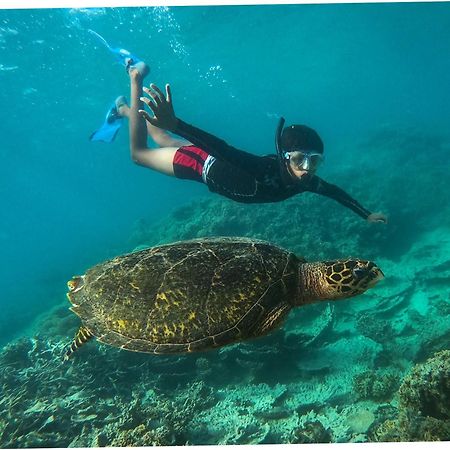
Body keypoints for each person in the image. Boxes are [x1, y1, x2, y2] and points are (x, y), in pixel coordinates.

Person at [107, 60, 387, 223]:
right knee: (140, 154)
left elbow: (336, 192)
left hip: (206, 157)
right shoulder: (261, 170)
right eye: (300, 159)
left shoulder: (307, 181)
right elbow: (222, 149)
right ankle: (135, 79)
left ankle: (121, 110)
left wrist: (367, 214)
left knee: (162, 135)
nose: (308, 168)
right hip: (198, 164)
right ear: (284, 156)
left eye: (315, 161)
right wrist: (178, 123)